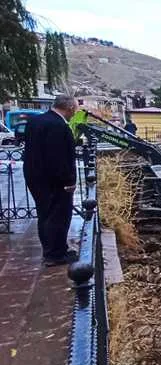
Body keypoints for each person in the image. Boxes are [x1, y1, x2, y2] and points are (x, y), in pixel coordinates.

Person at [23, 95, 79, 266]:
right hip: (54, 180)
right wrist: (68, 180)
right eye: (74, 110)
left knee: (45, 214)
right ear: (69, 108)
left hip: (35, 176)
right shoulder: (58, 126)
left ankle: (52, 249)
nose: (74, 113)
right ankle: (55, 255)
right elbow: (58, 157)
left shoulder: (35, 121)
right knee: (58, 216)